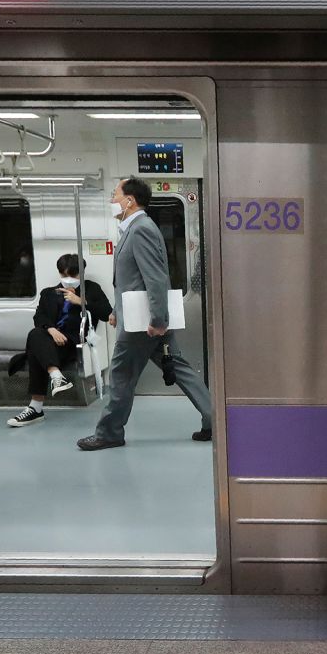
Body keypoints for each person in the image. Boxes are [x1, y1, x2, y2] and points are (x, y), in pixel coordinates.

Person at [77, 177, 212, 450]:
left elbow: (156, 278)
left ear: (130, 200)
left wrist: (158, 320)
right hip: (141, 318)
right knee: (181, 369)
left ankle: (109, 432)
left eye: (115, 195)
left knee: (121, 376)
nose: (112, 201)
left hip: (143, 325)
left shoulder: (141, 229)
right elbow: (133, 280)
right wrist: (118, 310)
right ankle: (215, 420)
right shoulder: (132, 229)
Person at [6, 254, 114, 427]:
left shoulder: (92, 289)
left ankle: (36, 408)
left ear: (82, 273)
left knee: (35, 346)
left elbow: (107, 314)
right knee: (37, 334)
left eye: (74, 276)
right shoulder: (49, 293)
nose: (69, 280)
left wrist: (81, 302)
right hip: (50, 342)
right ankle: (55, 375)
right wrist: (51, 329)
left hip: (73, 343)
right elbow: (39, 317)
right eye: (64, 276)